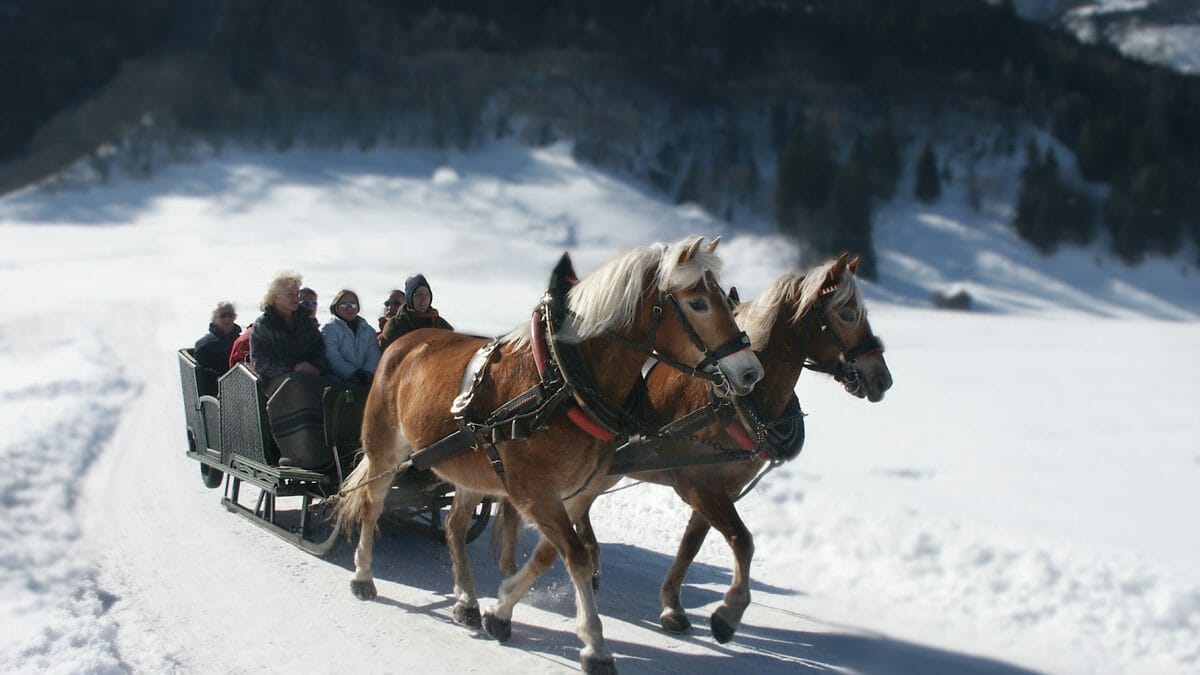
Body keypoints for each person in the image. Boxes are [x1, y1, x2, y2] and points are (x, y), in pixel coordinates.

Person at [251, 272, 332, 469]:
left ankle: (336, 450)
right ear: (275, 297)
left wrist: (315, 366)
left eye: (297, 294)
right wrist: (293, 368)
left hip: (308, 377)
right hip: (277, 381)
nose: (296, 298)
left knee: (335, 389)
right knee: (298, 385)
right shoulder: (264, 324)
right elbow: (260, 361)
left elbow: (319, 350)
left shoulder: (305, 321)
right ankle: (301, 454)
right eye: (291, 294)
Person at [379, 274, 453, 351]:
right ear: (409, 298)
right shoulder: (396, 325)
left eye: (427, 294)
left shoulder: (441, 325)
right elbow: (388, 356)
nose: (423, 299)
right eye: (418, 295)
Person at [321, 289, 380, 386]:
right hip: (338, 379)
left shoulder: (368, 331)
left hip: (366, 379)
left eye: (353, 304)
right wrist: (351, 374)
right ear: (336, 307)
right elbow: (332, 356)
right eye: (344, 305)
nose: (350, 308)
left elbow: (373, 354)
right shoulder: (329, 329)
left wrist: (368, 373)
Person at [194, 301, 241, 380]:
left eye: (230, 315)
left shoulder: (241, 342)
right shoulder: (205, 345)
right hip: (218, 388)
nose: (227, 319)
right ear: (214, 319)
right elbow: (203, 372)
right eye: (223, 316)